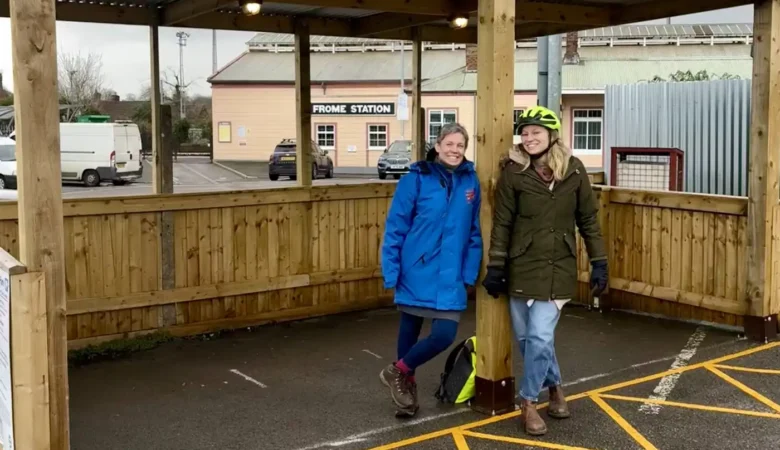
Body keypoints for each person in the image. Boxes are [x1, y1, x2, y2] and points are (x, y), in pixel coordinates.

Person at [481, 106, 608, 435]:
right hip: (521, 266)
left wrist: (599, 262)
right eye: (524, 133)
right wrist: (496, 266)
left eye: (535, 132)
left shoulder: (575, 172)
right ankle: (555, 388)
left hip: (559, 267)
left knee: (538, 336)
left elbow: (589, 221)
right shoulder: (514, 173)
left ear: (552, 136)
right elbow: (503, 223)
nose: (528, 138)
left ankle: (527, 403)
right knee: (530, 340)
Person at [379, 123, 483, 416]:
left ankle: (396, 371)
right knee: (410, 328)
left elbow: (474, 233)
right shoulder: (416, 179)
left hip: (450, 274)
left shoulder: (471, 182)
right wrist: (392, 269)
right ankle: (406, 395)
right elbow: (396, 227)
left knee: (444, 334)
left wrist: (468, 273)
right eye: (449, 144)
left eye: (460, 146)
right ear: (437, 146)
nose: (455, 150)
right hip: (415, 269)